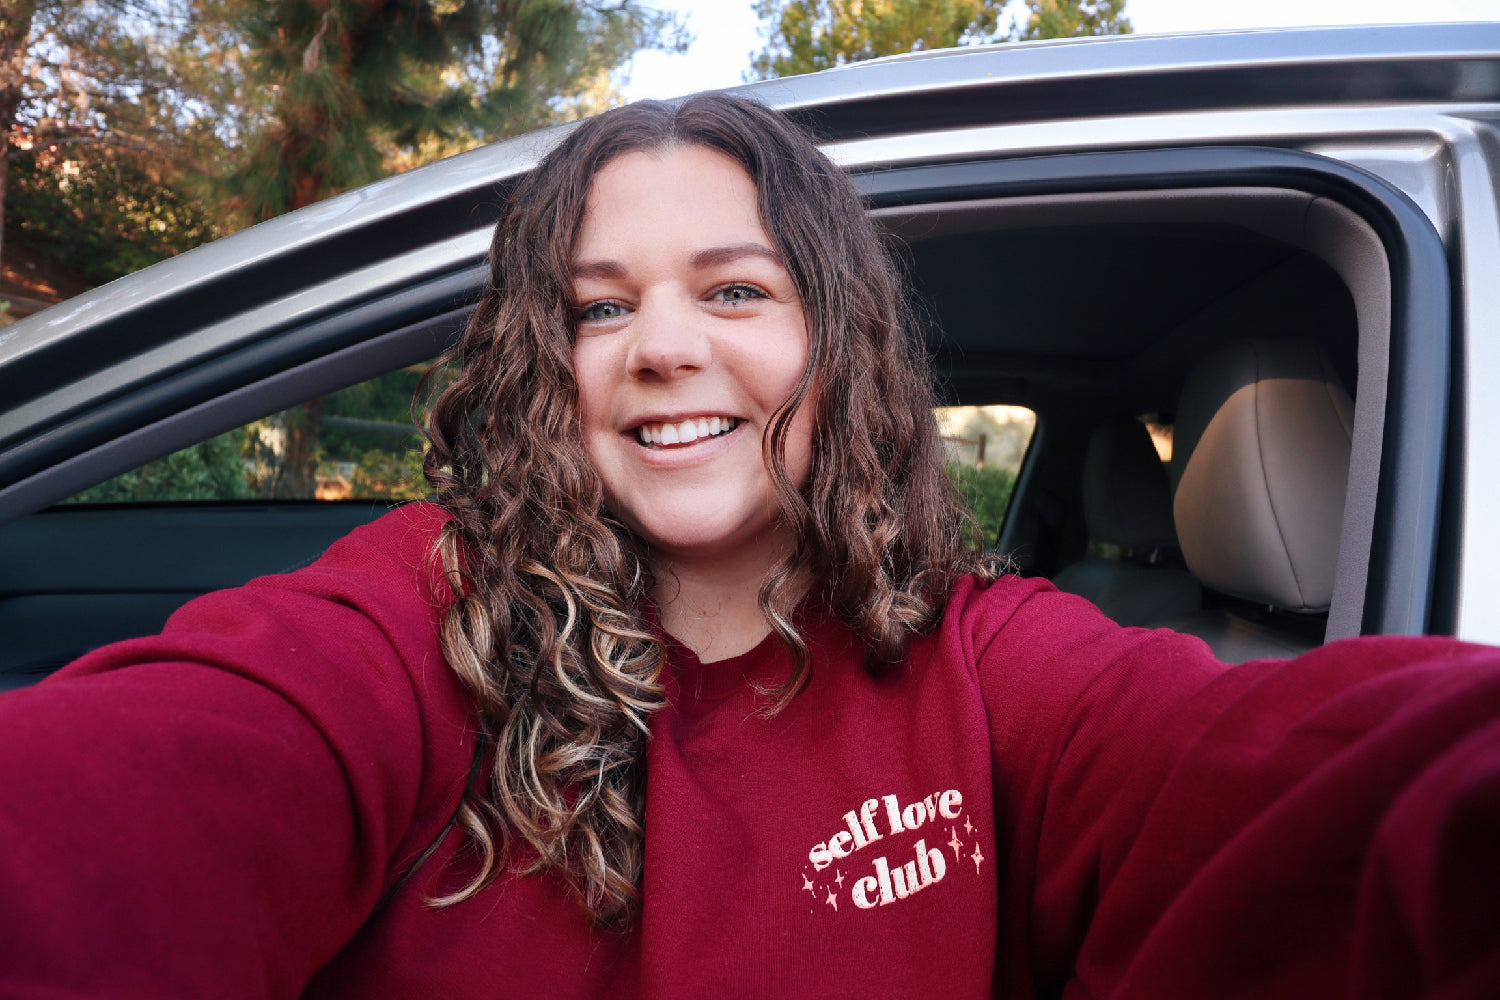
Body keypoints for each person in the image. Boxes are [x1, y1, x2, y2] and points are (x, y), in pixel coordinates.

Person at [1, 94, 1497, 999]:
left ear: (838, 348)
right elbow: (148, 792)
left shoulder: (991, 661)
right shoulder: (419, 615)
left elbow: (1306, 795)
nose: (658, 348)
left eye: (733, 292)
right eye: (598, 307)